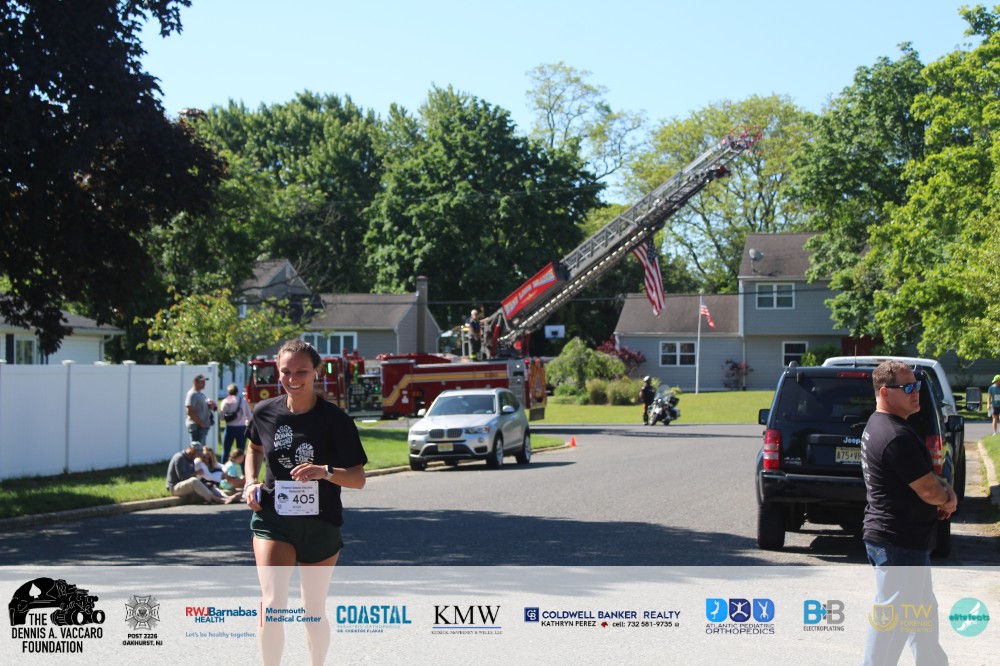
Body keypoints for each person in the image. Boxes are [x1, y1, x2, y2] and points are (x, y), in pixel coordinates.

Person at [243, 339, 367, 666]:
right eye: (286, 371)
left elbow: (358, 478)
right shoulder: (265, 412)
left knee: (312, 610)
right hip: (273, 519)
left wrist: (325, 472)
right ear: (277, 372)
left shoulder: (335, 420)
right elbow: (254, 448)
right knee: (273, 604)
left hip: (320, 523)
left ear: (317, 372)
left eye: (301, 371)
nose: (293, 378)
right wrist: (250, 481)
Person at [860, 360, 957, 666]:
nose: (916, 392)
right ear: (885, 392)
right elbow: (928, 490)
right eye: (908, 387)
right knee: (892, 625)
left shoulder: (882, 424)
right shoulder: (894, 435)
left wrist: (943, 489)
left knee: (922, 619)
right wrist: (947, 498)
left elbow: (924, 479)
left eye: (917, 385)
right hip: (898, 543)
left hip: (903, 541)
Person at [165, 443, 236, 505]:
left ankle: (227, 497)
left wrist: (205, 484)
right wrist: (197, 473)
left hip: (185, 486)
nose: (198, 456)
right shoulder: (180, 458)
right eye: (198, 453)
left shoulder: (191, 459)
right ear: (192, 450)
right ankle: (218, 499)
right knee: (194, 481)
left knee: (209, 485)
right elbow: (183, 477)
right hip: (175, 487)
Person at [220, 383, 252, 463]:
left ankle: (224, 466)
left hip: (230, 427)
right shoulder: (243, 401)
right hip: (242, 427)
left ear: (228, 392)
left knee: (226, 450)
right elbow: (249, 415)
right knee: (241, 451)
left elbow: (221, 416)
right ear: (237, 392)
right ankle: (243, 469)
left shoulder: (226, 401)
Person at [185, 374, 213, 446]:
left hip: (201, 427)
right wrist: (202, 424)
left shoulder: (200, 394)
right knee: (196, 449)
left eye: (204, 382)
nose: (204, 384)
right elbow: (189, 411)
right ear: (195, 382)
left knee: (201, 448)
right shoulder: (192, 394)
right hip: (196, 427)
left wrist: (209, 406)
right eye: (202, 382)